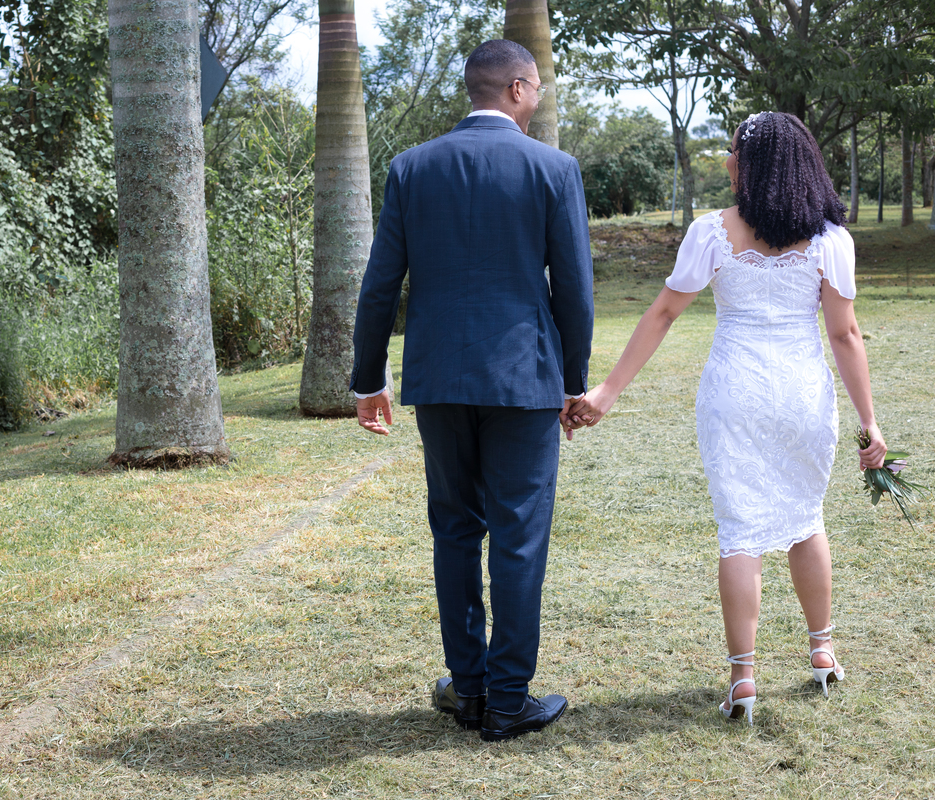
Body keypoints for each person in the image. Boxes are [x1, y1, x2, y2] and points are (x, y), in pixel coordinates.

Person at [567, 111, 886, 726]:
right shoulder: (830, 240)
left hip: (733, 391)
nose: (730, 161)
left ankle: (743, 677)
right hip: (801, 392)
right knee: (805, 519)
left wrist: (607, 391)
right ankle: (822, 650)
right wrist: (870, 422)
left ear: (757, 164)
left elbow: (662, 314)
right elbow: (844, 334)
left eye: (737, 152)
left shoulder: (712, 232)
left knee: (740, 532)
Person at [349, 39, 594, 741]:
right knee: (518, 535)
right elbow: (574, 293)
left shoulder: (412, 166)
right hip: (526, 380)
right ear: (517, 88)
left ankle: (469, 688)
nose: (539, 95)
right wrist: (573, 383)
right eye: (538, 86)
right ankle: (509, 698)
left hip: (441, 380)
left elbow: (378, 288)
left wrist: (370, 380)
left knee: (455, 531)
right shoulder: (554, 168)